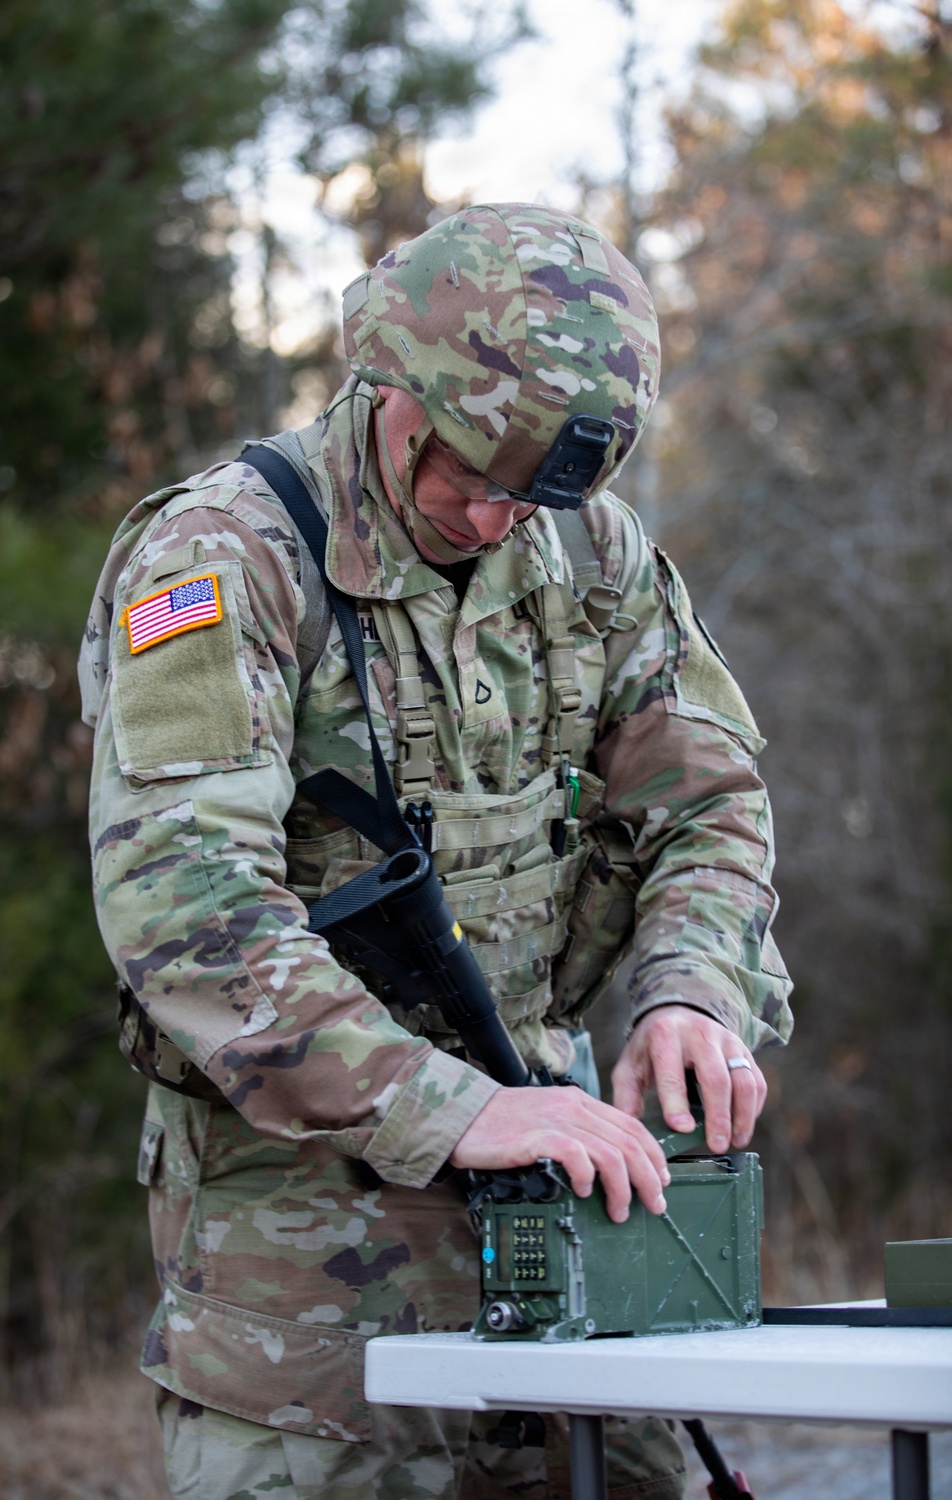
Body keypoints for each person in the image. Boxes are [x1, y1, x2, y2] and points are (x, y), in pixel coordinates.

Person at [79, 202, 792, 1500]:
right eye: (466, 470)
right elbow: (184, 905)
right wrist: (456, 1108)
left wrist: (694, 990)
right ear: (386, 381)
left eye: (529, 492)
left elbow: (709, 802)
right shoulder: (229, 555)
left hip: (568, 1251)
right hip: (306, 1295)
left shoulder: (582, 544)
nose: (490, 517)